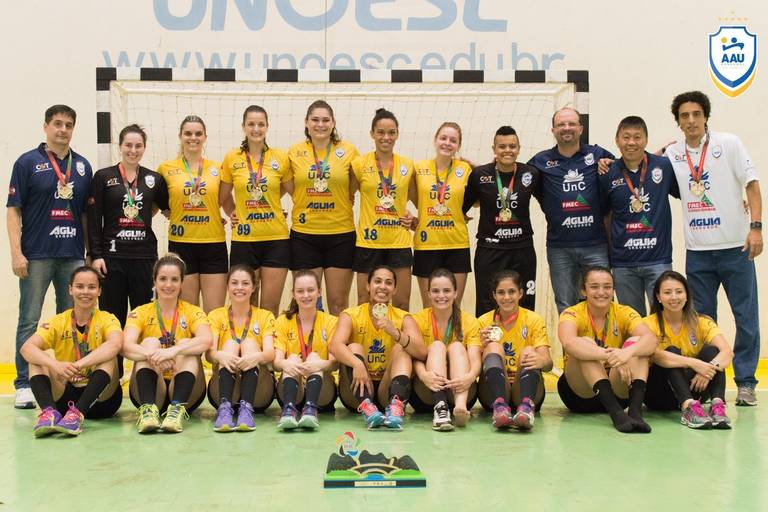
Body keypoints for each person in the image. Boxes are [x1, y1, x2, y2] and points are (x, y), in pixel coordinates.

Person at [664, 90, 762, 406]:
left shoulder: (729, 144)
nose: (691, 120)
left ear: (706, 116)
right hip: (698, 253)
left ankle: (746, 383)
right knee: (703, 324)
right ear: (678, 122)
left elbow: (752, 185)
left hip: (736, 248)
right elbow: (646, 170)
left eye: (696, 114)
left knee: (746, 317)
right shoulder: (672, 154)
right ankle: (708, 385)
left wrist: (756, 227)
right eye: (684, 116)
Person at [7, 104, 93, 409]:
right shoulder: (27, 162)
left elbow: (85, 214)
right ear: (45, 127)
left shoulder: (82, 166)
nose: (63, 130)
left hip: (73, 255)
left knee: (73, 321)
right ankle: (24, 384)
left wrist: (88, 254)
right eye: (57, 123)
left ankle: (68, 380)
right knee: (29, 319)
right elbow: (13, 210)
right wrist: (16, 253)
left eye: (68, 125)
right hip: (37, 254)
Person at [528, 107, 614, 313]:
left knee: (602, 302)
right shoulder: (540, 161)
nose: (566, 128)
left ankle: (602, 337)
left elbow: (629, 170)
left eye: (571, 124)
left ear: (580, 128)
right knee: (566, 305)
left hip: (595, 245)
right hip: (560, 248)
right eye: (561, 124)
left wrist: (655, 156)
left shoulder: (598, 155)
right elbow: (514, 179)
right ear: (553, 130)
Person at [20, 267, 122, 437]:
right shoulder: (58, 321)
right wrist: (56, 365)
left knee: (110, 357)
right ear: (70, 289)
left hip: (103, 401)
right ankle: (49, 413)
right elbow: (26, 348)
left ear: (99, 291)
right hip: (66, 397)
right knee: (36, 358)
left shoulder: (107, 318)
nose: (85, 292)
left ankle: (77, 415)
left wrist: (79, 365)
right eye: (80, 286)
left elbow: (115, 344)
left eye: (91, 287)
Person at [88, 124, 169, 337]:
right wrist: (95, 255)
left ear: (144, 147)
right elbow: (94, 220)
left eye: (138, 146)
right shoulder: (103, 176)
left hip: (144, 257)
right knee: (112, 320)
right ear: (120, 146)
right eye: (128, 145)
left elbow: (168, 207)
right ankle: (113, 360)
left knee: (144, 319)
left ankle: (142, 360)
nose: (133, 150)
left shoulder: (154, 179)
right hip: (111, 258)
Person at [557, 266, 657, 433]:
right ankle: (616, 414)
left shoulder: (624, 312)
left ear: (613, 290)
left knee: (637, 343)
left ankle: (635, 412)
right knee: (585, 344)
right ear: (583, 290)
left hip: (616, 387)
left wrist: (626, 353)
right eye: (594, 287)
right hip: (580, 394)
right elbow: (568, 343)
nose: (601, 292)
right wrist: (608, 355)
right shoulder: (572, 313)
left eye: (607, 287)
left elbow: (651, 340)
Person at [123, 254, 212, 433]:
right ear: (154, 281)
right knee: (149, 343)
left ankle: (176, 410)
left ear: (182, 282)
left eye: (174, 279)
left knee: (187, 344)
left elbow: (206, 339)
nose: (168, 285)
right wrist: (154, 355)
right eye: (163, 279)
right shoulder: (141, 312)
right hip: (152, 386)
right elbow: (125, 345)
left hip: (186, 389)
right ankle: (148, 412)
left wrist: (173, 352)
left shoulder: (193, 311)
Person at [598, 116, 678, 316]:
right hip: (623, 263)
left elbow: (689, 192)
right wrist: (612, 251)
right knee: (633, 323)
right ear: (617, 141)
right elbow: (605, 215)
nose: (631, 142)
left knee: (663, 319)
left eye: (637, 137)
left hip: (658, 260)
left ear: (646, 140)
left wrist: (737, 200)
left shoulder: (664, 167)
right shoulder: (608, 173)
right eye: (626, 137)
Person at [330, 266, 426, 429]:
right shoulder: (350, 314)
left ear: (394, 289)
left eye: (388, 283)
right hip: (355, 390)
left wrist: (395, 333)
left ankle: (395, 405)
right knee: (353, 347)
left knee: (402, 348)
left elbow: (422, 353)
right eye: (377, 281)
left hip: (385, 388)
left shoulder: (403, 318)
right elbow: (335, 346)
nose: (383, 286)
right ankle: (367, 406)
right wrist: (357, 364)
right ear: (368, 286)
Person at [287, 100, 359, 315]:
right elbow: (282, 185)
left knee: (338, 302)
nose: (320, 124)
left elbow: (360, 183)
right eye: (315, 120)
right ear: (306, 123)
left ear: (333, 123)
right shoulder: (294, 152)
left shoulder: (349, 151)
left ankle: (337, 339)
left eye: (325, 120)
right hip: (304, 236)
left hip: (341, 235)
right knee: (307, 303)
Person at [219, 105, 291, 316]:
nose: (256, 129)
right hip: (244, 241)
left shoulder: (280, 157)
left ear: (267, 127)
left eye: (261, 124)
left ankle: (268, 340)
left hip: (276, 240)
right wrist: (232, 212)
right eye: (251, 124)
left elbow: (294, 191)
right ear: (243, 127)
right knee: (245, 306)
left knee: (269, 307)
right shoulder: (232, 158)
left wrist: (272, 203)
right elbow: (222, 196)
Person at [463, 126, 541, 317]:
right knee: (487, 304)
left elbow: (551, 201)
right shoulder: (479, 175)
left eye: (512, 146)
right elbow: (461, 206)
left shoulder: (531, 173)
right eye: (502, 146)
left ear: (519, 148)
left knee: (525, 301)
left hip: (522, 249)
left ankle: (524, 336)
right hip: (490, 249)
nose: (507, 150)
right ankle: (489, 338)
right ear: (494, 149)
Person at [643, 271, 734, 429]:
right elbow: (656, 356)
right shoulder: (647, 324)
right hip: (659, 395)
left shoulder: (701, 322)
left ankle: (717, 405)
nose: (674, 297)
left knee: (713, 351)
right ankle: (688, 408)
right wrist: (695, 364)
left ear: (687, 295)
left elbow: (727, 352)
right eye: (667, 292)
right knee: (671, 352)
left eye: (679, 292)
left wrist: (707, 370)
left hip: (695, 390)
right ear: (658, 297)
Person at [157, 115, 226, 313]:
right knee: (187, 314)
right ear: (180, 136)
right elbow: (154, 200)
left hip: (213, 244)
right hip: (181, 244)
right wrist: (165, 209)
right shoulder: (166, 168)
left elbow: (226, 200)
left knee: (214, 314)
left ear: (205, 137)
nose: (193, 138)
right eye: (188, 133)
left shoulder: (218, 168)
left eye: (198, 133)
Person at [352, 108, 415, 310]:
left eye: (391, 132)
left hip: (399, 242)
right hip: (368, 242)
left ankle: (396, 333)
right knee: (364, 301)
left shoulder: (407, 166)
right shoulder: (359, 164)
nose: (386, 137)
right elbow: (345, 197)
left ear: (397, 134)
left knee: (402, 303)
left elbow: (422, 202)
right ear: (372, 134)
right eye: (380, 132)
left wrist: (414, 220)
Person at [477, 270, 551, 430]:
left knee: (528, 350)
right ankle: (500, 407)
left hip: (524, 386)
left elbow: (548, 364)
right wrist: (481, 349)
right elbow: (473, 366)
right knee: (493, 346)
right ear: (494, 295)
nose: (506, 297)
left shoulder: (533, 319)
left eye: (511, 292)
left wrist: (541, 361)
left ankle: (526, 408)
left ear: (520, 293)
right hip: (492, 391)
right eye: (501, 292)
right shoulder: (483, 321)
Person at [206, 264, 276, 432]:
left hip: (258, 393)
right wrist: (220, 356)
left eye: (245, 283)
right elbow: (209, 354)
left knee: (249, 343)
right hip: (221, 390)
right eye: (234, 283)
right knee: (231, 344)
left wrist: (255, 357)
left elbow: (270, 353)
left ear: (254, 287)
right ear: (227, 286)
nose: (239, 287)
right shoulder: (215, 315)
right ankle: (224, 409)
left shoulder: (265, 316)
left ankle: (246, 409)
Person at [410, 268, 482, 431]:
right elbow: (414, 357)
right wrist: (424, 375)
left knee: (456, 346)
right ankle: (440, 407)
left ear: (456, 293)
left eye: (447, 291)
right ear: (428, 294)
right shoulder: (418, 319)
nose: (441, 295)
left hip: (461, 390)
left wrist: (470, 377)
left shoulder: (469, 321)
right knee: (437, 346)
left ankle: (460, 408)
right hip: (427, 391)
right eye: (436, 291)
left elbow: (475, 359)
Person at [411, 122, 473, 307]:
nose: (447, 143)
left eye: (453, 140)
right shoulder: (419, 168)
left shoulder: (465, 169)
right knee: (429, 307)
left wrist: (477, 166)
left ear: (458, 146)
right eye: (443, 138)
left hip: (457, 244)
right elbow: (400, 193)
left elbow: (479, 198)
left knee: (453, 306)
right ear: (435, 140)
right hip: (427, 245)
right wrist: (409, 216)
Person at [273, 270, 339, 430]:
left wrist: (317, 365)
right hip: (291, 386)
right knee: (292, 358)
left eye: (310, 290)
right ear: (293, 294)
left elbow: (334, 364)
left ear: (319, 292)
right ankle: (288, 411)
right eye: (300, 291)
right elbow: (276, 362)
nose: (306, 295)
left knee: (314, 357)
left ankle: (311, 410)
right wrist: (288, 364)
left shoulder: (331, 321)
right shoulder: (282, 321)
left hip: (322, 392)